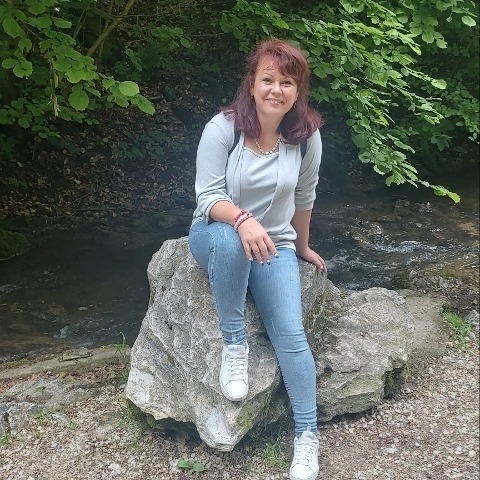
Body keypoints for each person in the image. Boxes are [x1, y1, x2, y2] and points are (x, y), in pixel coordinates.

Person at [188, 38, 327, 480]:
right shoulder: (223, 129)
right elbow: (208, 196)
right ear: (252, 84)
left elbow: (304, 196)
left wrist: (301, 246)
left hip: (275, 245)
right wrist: (243, 219)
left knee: (291, 333)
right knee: (231, 242)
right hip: (216, 232)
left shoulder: (305, 137)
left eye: (287, 82)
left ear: (297, 91)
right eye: (268, 79)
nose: (276, 90)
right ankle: (235, 343)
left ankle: (307, 438)